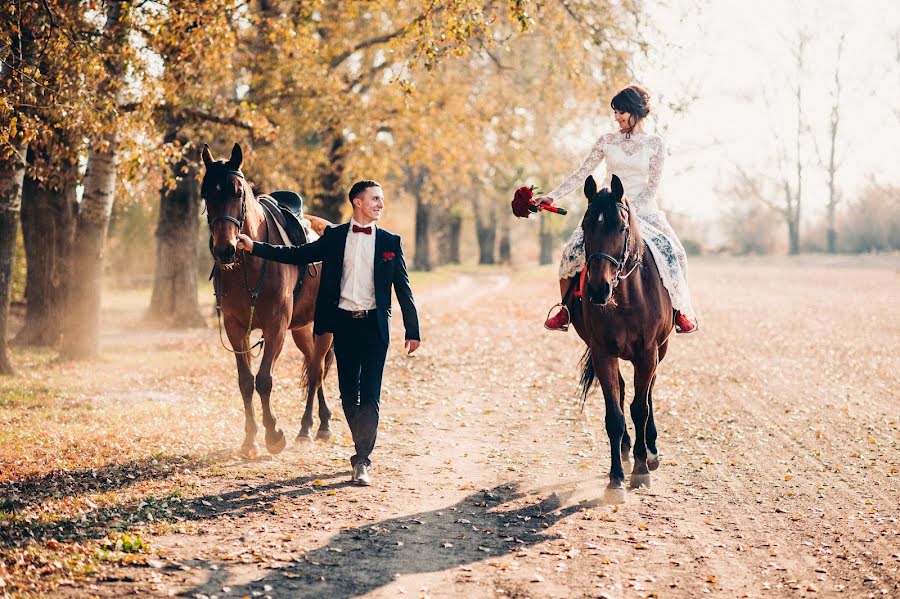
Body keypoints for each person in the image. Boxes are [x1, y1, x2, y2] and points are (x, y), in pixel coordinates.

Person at [236, 180, 421, 486]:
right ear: (357, 202)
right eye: (375, 199)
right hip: (344, 325)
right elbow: (296, 254)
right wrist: (254, 246)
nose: (380, 204)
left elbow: (404, 288)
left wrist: (412, 330)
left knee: (370, 397)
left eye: (382, 200)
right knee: (349, 396)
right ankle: (359, 444)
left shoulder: (390, 241)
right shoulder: (335, 237)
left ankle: (362, 459)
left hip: (375, 327)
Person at [537, 85, 699, 334]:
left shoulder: (655, 144)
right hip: (607, 210)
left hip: (643, 210)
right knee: (570, 254)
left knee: (676, 253)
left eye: (621, 112)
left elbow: (652, 185)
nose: (617, 118)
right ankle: (566, 310)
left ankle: (679, 311)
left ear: (635, 111)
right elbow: (582, 172)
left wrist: (631, 212)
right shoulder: (606, 140)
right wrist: (552, 195)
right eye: (615, 113)